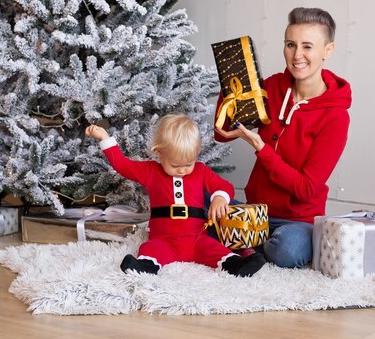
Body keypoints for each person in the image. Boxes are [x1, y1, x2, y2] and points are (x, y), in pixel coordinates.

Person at [215, 7, 352, 268]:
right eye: (291, 44)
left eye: (307, 46)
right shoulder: (273, 87)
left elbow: (306, 188)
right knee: (200, 198)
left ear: (328, 50)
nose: (297, 55)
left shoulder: (336, 117)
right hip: (256, 210)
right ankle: (248, 239)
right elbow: (221, 135)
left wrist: (260, 147)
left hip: (296, 221)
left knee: (287, 250)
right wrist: (231, 86)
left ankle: (244, 243)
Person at [86, 113, 266, 277]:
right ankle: (146, 266)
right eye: (174, 165)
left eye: (188, 164)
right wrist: (105, 138)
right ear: (160, 153)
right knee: (150, 248)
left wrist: (219, 198)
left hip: (197, 238)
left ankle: (235, 264)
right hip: (164, 239)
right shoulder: (150, 171)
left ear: (196, 154)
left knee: (214, 249)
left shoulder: (201, 171)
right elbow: (122, 165)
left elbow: (224, 186)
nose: (182, 170)